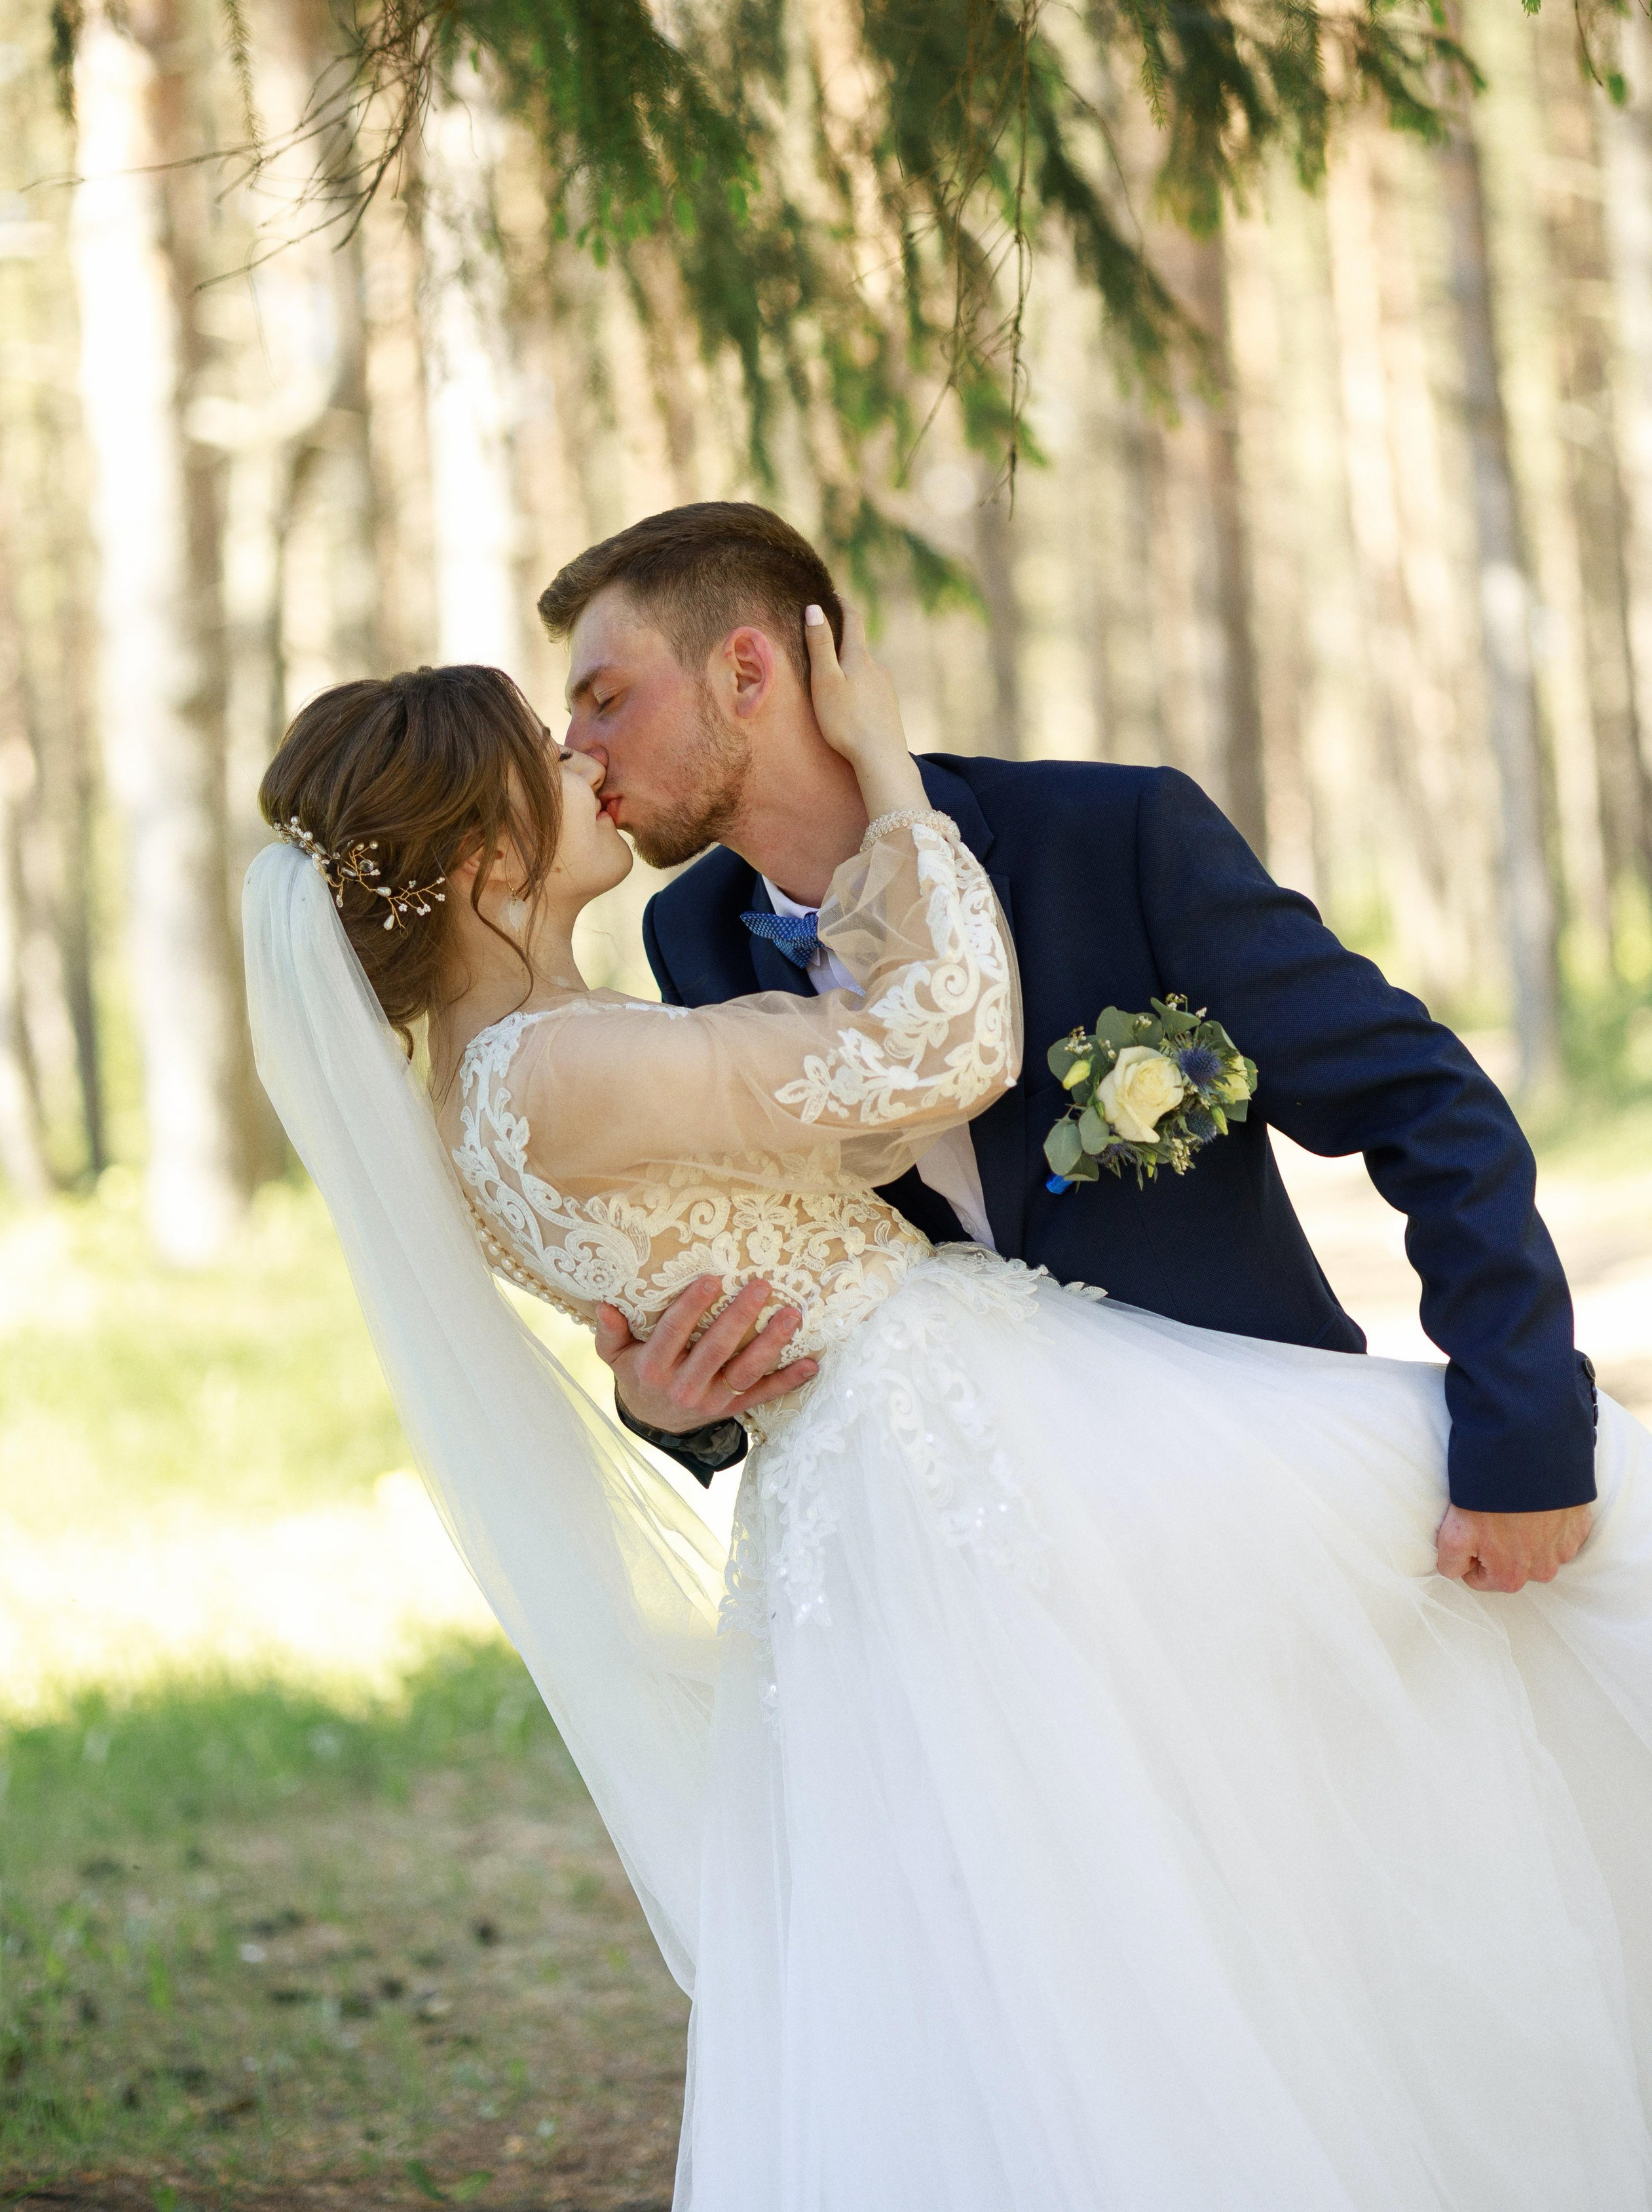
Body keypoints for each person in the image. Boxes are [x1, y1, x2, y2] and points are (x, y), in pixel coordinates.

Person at [244, 646, 1652, 2209]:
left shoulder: (485, 1095)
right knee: (1116, 1908)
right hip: (961, 1457)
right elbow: (941, 1051)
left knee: (1071, 1916)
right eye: (542, 747)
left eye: (591, 708)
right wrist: (899, 782)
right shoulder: (573, 1051)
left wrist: (660, 1388)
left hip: (893, 1493)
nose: (581, 759)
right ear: (484, 859)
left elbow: (695, 1274)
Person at [538, 503, 1598, 1595]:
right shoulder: (694, 938)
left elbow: (1422, 1100)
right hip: (976, 1571)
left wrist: (1522, 1435)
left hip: (1255, 1493)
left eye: (606, 698)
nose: (576, 747)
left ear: (747, 673)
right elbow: (762, 1265)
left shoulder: (1112, 836)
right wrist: (672, 1408)